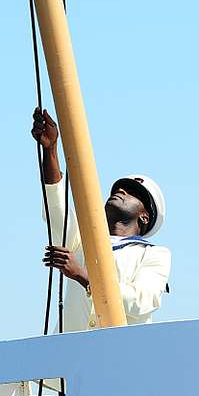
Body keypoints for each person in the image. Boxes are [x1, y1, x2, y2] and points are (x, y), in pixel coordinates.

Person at [32, 108, 171, 331]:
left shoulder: (153, 254)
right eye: (119, 188)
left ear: (144, 216)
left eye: (133, 193)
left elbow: (142, 301)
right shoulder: (82, 242)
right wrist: (50, 150)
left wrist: (83, 276)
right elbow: (57, 209)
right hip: (70, 354)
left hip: (120, 357)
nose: (122, 191)